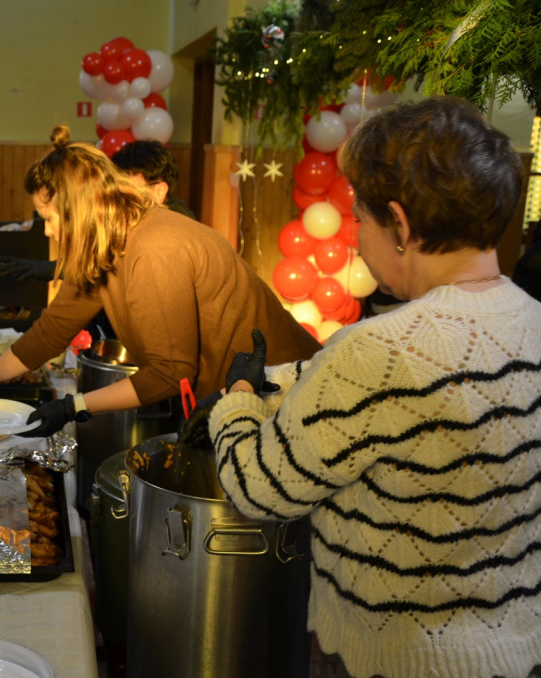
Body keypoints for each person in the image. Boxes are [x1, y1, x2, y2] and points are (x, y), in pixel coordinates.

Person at [194, 97, 541, 678]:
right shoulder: (531, 319)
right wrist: (278, 380)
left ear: (399, 225)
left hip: (396, 658)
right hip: (514, 648)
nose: (356, 237)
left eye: (360, 218)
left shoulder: (379, 352)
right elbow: (411, 407)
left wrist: (236, 406)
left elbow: (260, 489)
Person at [0, 125, 321, 436]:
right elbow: (51, 332)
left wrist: (74, 407)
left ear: (80, 210)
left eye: (49, 218)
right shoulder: (105, 243)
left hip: (289, 398)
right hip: (234, 401)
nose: (47, 231)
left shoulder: (154, 248)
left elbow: (170, 372)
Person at [0, 139, 196, 282]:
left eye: (128, 187)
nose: (117, 195)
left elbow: (105, 267)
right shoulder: (129, 220)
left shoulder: (173, 229)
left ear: (159, 191)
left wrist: (45, 269)